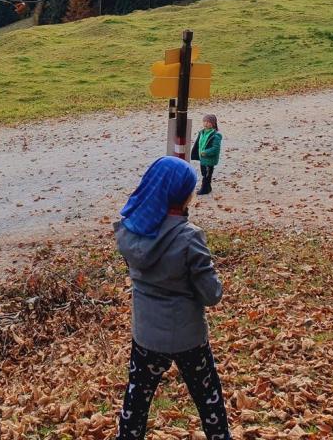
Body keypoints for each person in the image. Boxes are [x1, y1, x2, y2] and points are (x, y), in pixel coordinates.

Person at [115, 156, 231, 440]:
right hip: (188, 338)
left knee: (136, 402)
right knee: (208, 399)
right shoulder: (189, 238)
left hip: (146, 336)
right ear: (182, 196)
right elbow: (211, 294)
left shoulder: (129, 232)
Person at [191, 114, 222, 195]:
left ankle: (205, 188)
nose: (206, 123)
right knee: (204, 172)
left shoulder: (215, 136)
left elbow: (215, 148)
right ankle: (208, 187)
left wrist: (205, 152)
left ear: (213, 124)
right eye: (204, 121)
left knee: (207, 174)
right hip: (202, 157)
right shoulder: (202, 132)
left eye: (208, 122)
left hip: (209, 158)